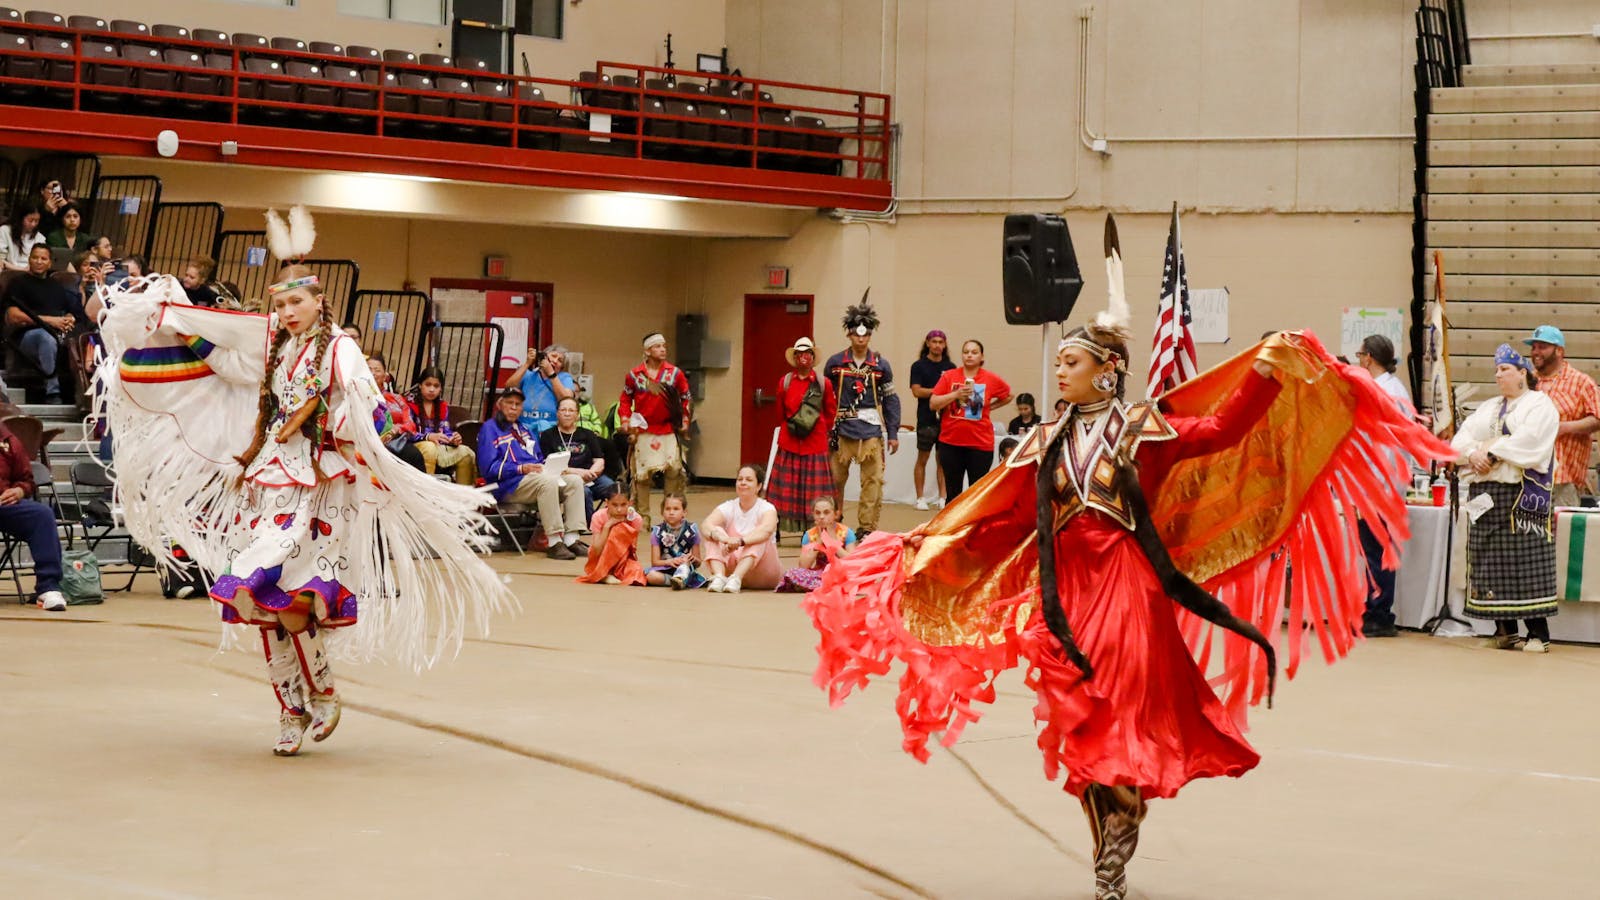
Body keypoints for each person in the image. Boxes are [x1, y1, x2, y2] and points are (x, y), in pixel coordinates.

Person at [802, 242, 1453, 900]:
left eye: (1072, 361)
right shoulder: (1041, 441)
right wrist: (926, 547)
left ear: (1108, 372)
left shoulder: (1140, 429)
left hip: (1128, 595)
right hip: (1067, 602)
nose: (1061, 370)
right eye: (1059, 360)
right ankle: (1112, 842)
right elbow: (1000, 512)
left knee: (1116, 725)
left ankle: (1116, 845)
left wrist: (1264, 369)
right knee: (1082, 732)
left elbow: (1225, 429)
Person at [95, 214, 511, 757]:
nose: (288, 314)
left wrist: (342, 428)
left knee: (292, 602)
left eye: (297, 304)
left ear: (319, 302)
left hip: (320, 488)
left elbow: (369, 410)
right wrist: (181, 328)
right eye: (280, 306)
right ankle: (294, 707)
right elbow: (231, 366)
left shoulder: (341, 350)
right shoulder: (275, 350)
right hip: (269, 481)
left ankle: (319, 693)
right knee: (261, 600)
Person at [1451, 343, 1561, 653]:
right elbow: (1462, 439)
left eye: (1505, 369)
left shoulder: (1539, 405)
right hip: (1485, 495)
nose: (1498, 375)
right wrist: (1473, 454)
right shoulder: (1488, 407)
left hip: (1521, 498)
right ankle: (1505, 631)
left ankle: (1538, 634)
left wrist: (1492, 450)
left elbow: (1530, 441)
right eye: (1497, 369)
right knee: (1489, 564)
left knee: (1524, 563)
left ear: (1522, 373)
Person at [477, 386, 590, 560]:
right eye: (509, 403)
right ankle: (554, 542)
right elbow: (488, 469)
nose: (514, 407)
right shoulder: (490, 429)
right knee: (547, 482)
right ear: (500, 404)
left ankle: (571, 539)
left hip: (535, 479)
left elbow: (538, 458)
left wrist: (553, 467)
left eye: (518, 404)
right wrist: (520, 469)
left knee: (574, 481)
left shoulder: (524, 429)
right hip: (508, 486)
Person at [1353, 333, 1415, 638]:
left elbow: (1383, 448)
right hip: (1382, 482)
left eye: (1359, 355)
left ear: (1368, 358)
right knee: (1375, 551)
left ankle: (1379, 612)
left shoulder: (1384, 393)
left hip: (1379, 484)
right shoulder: (1390, 389)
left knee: (1377, 551)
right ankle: (1375, 608)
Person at [824, 300, 901, 536]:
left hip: (870, 433)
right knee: (834, 479)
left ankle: (866, 528)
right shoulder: (836, 363)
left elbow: (890, 399)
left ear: (869, 335)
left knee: (873, 481)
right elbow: (825, 397)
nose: (861, 339)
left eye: (866, 334)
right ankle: (832, 520)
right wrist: (825, 428)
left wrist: (893, 432)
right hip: (841, 432)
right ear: (849, 334)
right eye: (857, 334)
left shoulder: (880, 365)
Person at [619, 332, 692, 522]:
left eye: (664, 346)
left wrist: (684, 420)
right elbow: (625, 399)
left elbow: (686, 397)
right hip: (644, 430)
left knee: (674, 471)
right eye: (658, 346)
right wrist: (626, 420)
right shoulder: (635, 375)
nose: (663, 349)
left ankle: (671, 513)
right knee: (642, 476)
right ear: (648, 350)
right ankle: (643, 517)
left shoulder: (674, 374)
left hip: (667, 429)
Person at [768, 336, 838, 534]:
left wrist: (818, 431)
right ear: (795, 357)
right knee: (784, 490)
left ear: (813, 357)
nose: (803, 358)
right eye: (799, 354)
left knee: (815, 491)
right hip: (790, 442)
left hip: (815, 444)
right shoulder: (786, 382)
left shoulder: (823, 384)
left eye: (807, 353)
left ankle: (815, 529)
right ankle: (777, 528)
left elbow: (830, 413)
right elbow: (779, 414)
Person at [929, 339, 1012, 504]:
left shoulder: (990, 378)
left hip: (980, 444)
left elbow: (1008, 395)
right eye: (966, 352)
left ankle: (974, 529)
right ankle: (952, 529)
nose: (969, 355)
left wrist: (990, 407)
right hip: (951, 443)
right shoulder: (949, 376)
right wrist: (955, 395)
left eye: (974, 352)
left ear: (981, 357)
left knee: (977, 495)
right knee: (953, 493)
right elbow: (933, 403)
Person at [1525, 325, 1600, 508]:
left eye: (1542, 347)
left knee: (1561, 535)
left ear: (1559, 351)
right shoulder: (1527, 381)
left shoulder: (1581, 382)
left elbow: (1597, 418)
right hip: (1525, 477)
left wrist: (1563, 428)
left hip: (1563, 480)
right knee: (1527, 535)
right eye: (1534, 347)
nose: (1536, 352)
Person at [3, 244, 86, 403]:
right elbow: (13, 315)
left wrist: (69, 319)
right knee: (46, 337)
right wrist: (50, 321)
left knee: (78, 338)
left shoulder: (57, 287)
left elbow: (70, 311)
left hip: (59, 334)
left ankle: (82, 393)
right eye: (35, 258)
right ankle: (52, 392)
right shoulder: (18, 282)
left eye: (43, 258)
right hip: (27, 336)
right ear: (29, 260)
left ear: (50, 263)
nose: (39, 262)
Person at [0, 418, 66, 611]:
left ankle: (48, 588)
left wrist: (19, 491)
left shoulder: (8, 440)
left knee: (42, 515)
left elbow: (27, 480)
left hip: (4, 505)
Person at [701, 463, 781, 593]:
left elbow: (766, 530)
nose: (743, 483)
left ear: (759, 486)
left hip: (763, 574)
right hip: (731, 570)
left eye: (749, 480)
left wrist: (740, 541)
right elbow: (706, 525)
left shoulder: (767, 508)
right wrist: (723, 538)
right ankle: (719, 577)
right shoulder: (728, 506)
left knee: (758, 536)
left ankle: (737, 577)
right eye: (740, 479)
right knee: (713, 532)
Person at [539, 396, 612, 516]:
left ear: (577, 415)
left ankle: (612, 522)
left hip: (591, 476)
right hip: (564, 478)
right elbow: (548, 465)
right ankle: (589, 525)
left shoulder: (588, 434)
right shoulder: (547, 436)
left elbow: (599, 460)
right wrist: (579, 473)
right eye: (563, 410)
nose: (567, 414)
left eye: (571, 410)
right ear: (557, 413)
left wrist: (591, 473)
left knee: (613, 488)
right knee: (584, 492)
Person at [908, 329, 956, 511]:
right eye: (934, 341)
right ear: (927, 343)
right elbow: (916, 391)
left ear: (944, 345)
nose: (937, 345)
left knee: (943, 460)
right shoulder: (918, 366)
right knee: (923, 457)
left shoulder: (951, 367)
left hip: (947, 419)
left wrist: (946, 395)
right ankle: (920, 497)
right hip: (926, 419)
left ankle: (943, 497)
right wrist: (939, 392)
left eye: (940, 342)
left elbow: (955, 391)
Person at [406, 366, 476, 485]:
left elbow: (445, 431)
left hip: (438, 446)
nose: (432, 389)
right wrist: (428, 436)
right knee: (429, 447)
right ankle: (427, 491)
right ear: (420, 385)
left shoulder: (442, 406)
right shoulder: (408, 404)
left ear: (441, 388)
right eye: (428, 385)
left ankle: (465, 496)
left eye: (436, 386)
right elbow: (407, 433)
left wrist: (453, 439)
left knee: (466, 452)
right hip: (415, 446)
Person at [775, 496, 856, 593]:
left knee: (855, 575)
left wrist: (832, 541)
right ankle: (828, 586)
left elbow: (852, 562)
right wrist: (819, 542)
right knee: (792, 573)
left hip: (841, 573)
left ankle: (823, 586)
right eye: (818, 513)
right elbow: (803, 565)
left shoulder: (846, 532)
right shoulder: (809, 535)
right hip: (820, 574)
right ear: (813, 515)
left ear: (836, 514)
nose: (822, 517)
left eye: (826, 512)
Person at [367, 352, 426, 471]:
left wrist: (395, 430)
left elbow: (410, 424)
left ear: (385, 376)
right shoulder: (360, 396)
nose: (373, 373)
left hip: (395, 442)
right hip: (370, 441)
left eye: (377, 370)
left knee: (414, 455)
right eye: (369, 369)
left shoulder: (397, 399)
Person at [577, 487, 647, 585]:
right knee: (618, 529)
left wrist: (625, 526)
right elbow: (596, 550)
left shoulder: (635, 519)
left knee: (637, 574)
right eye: (614, 505)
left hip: (623, 558)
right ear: (607, 503)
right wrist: (607, 526)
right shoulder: (598, 516)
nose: (619, 509)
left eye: (623, 505)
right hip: (600, 557)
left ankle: (609, 574)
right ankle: (603, 573)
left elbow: (632, 549)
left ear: (630, 503)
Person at [506, 343, 574, 433]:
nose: (555, 361)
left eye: (560, 360)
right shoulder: (528, 375)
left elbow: (567, 400)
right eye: (553, 356)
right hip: (524, 429)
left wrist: (551, 374)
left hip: (550, 431)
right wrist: (527, 363)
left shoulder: (564, 378)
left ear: (561, 367)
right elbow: (509, 386)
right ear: (544, 357)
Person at [646, 492, 705, 589]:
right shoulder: (657, 532)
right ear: (662, 512)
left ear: (684, 512)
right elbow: (655, 562)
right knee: (651, 576)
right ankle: (676, 581)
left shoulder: (692, 530)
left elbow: (698, 562)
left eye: (676, 509)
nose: (671, 512)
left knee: (685, 562)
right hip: (665, 569)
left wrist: (693, 559)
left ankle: (681, 578)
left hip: (684, 565)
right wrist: (670, 561)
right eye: (667, 509)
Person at [0, 201, 45, 271]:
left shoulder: (40, 238)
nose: (33, 224)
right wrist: (21, 269)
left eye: (36, 221)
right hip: (8, 272)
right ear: (21, 218)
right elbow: (1, 259)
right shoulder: (5, 231)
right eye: (30, 220)